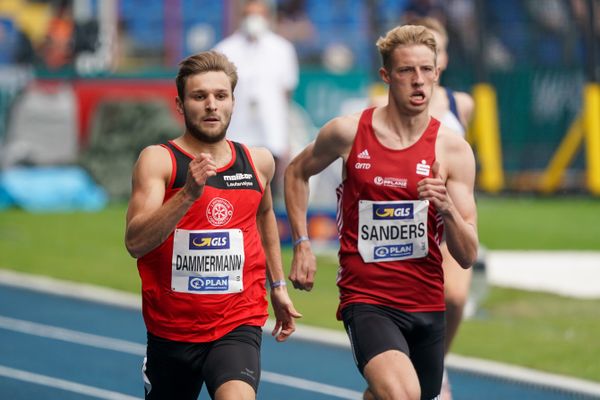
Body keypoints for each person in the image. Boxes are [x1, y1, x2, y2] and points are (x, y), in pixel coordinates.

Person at [284, 24, 478, 400]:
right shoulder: (349, 133)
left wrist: (447, 208)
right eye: (407, 71)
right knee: (400, 396)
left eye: (426, 70)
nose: (418, 81)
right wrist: (303, 243)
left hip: (425, 299)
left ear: (438, 73)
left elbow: (467, 255)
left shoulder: (454, 151)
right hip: (367, 298)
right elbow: (295, 172)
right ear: (386, 76)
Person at [124, 50, 301, 400]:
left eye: (220, 96)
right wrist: (187, 194)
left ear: (233, 102)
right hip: (171, 329)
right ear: (180, 104)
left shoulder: (257, 161)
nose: (211, 105)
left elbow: (264, 215)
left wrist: (277, 285)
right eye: (199, 96)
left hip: (238, 320)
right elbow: (135, 242)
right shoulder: (159, 160)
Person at [410, 16, 475, 400]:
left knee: (454, 297)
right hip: (410, 212)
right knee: (414, 299)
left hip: (452, 208)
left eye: (434, 50)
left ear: (443, 59)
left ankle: (439, 365)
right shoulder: (387, 103)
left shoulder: (460, 103)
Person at [214, 0, 299, 202]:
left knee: (271, 191)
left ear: (267, 17)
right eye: (250, 14)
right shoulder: (224, 49)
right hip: (237, 129)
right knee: (236, 189)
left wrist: (286, 135)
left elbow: (286, 92)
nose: (254, 20)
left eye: (259, 14)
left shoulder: (282, 49)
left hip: (271, 129)